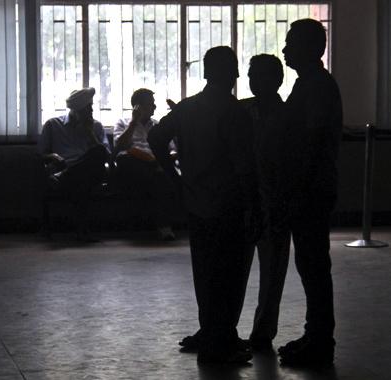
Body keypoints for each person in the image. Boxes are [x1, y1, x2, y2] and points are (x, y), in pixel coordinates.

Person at [148, 46, 260, 365]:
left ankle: (211, 332)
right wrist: (253, 204)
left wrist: (175, 178)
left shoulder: (188, 108)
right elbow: (243, 165)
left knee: (206, 272)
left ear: (207, 73)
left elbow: (157, 137)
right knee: (229, 275)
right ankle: (220, 341)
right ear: (232, 74)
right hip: (230, 203)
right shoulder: (233, 112)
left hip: (196, 201)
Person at [277, 19, 343, 367]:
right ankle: (315, 335)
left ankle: (320, 342)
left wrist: (297, 188)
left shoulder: (315, 86)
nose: (285, 50)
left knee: (314, 267)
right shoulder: (309, 84)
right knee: (312, 266)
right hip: (311, 187)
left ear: (308, 48)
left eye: (290, 43)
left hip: (311, 189)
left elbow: (312, 142)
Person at [240, 54, 291, 352]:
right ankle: (255, 330)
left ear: (276, 80)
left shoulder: (284, 117)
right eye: (251, 75)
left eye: (258, 75)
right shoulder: (247, 110)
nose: (253, 81)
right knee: (247, 268)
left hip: (274, 200)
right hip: (250, 198)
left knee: (272, 272)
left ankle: (262, 332)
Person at [38, 88, 110, 241]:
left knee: (97, 152)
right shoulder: (53, 125)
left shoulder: (96, 126)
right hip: (65, 166)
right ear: (77, 110)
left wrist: (90, 133)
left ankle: (62, 177)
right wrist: (54, 156)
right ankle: (82, 230)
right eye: (87, 108)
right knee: (82, 182)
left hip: (86, 171)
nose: (91, 111)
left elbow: (106, 155)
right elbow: (41, 154)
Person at [113, 88, 176, 241]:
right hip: (133, 165)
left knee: (159, 174)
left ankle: (162, 225)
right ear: (138, 107)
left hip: (155, 164)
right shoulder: (123, 123)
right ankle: (163, 226)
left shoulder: (158, 125)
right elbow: (119, 147)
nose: (154, 107)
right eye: (151, 104)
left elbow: (172, 149)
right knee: (125, 157)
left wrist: (169, 158)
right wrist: (134, 122)